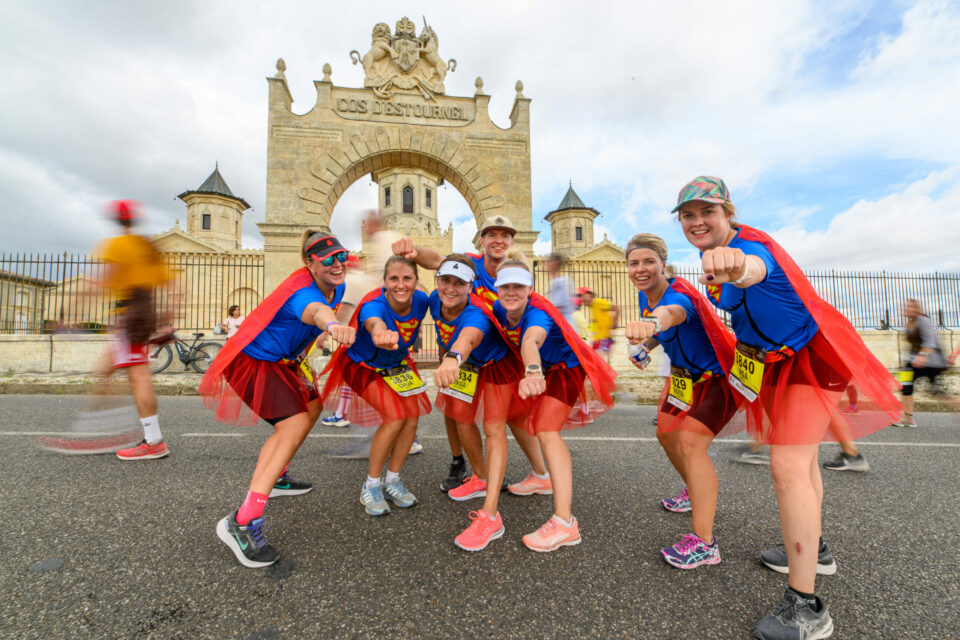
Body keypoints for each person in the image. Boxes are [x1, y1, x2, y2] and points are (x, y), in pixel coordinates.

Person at [674, 176, 900, 639]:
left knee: (788, 466)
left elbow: (752, 269)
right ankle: (815, 550)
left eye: (707, 212)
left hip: (811, 355)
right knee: (803, 460)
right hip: (774, 361)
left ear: (728, 214)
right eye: (688, 215)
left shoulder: (750, 248)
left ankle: (807, 607)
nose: (697, 222)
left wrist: (735, 265)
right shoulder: (711, 253)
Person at [200, 231, 355, 568]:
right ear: (309, 263)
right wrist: (332, 325)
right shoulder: (302, 292)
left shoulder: (338, 285)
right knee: (292, 424)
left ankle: (279, 476)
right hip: (254, 361)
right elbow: (315, 311)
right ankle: (242, 521)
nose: (338, 264)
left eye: (341, 256)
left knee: (313, 406)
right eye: (327, 258)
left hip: (284, 361)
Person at [392, 215, 550, 496]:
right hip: (467, 358)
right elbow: (437, 260)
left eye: (504, 235)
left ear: (512, 241)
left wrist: (534, 362)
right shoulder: (468, 266)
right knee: (456, 410)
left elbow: (478, 330)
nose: (498, 241)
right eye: (492, 235)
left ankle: (540, 474)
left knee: (511, 418)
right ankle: (470, 469)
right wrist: (413, 252)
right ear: (482, 241)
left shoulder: (515, 273)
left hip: (500, 355)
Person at [623, 233, 743, 570]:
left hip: (716, 379)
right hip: (682, 378)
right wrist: (646, 345)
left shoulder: (678, 296)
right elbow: (664, 330)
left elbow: (671, 315)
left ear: (663, 264)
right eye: (634, 263)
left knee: (691, 444)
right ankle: (695, 490)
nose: (641, 269)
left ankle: (705, 544)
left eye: (649, 262)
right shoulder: (646, 294)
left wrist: (649, 324)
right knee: (666, 433)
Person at [492, 250, 617, 552]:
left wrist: (532, 370)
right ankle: (541, 477)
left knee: (547, 430)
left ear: (529, 289)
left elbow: (530, 339)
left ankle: (565, 523)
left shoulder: (539, 312)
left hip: (565, 368)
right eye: (505, 286)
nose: (511, 292)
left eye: (519, 286)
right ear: (497, 288)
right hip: (545, 368)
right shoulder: (498, 307)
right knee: (518, 417)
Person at [427, 254, 548, 551]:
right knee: (468, 416)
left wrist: (451, 358)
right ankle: (501, 476)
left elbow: (467, 337)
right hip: (471, 366)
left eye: (459, 283)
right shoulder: (433, 300)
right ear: (437, 282)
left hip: (496, 365)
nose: (451, 288)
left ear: (471, 287)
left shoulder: (478, 312)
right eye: (445, 281)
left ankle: (491, 515)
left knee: (495, 428)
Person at [319, 256, 432, 517]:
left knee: (411, 417)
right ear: (384, 281)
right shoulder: (373, 305)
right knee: (394, 417)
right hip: (365, 365)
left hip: (398, 364)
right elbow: (373, 320)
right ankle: (371, 485)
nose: (400, 285)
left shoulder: (422, 300)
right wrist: (380, 332)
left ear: (416, 281)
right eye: (394, 279)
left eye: (407, 278)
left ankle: (392, 480)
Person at [92, 200, 177, 461]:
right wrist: (170, 317)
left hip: (130, 315)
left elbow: (107, 279)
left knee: (138, 378)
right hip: (142, 314)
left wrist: (78, 300)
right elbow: (175, 286)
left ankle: (153, 440)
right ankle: (103, 424)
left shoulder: (120, 245)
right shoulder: (148, 247)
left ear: (117, 219)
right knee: (108, 370)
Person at [890, 298, 948, 427]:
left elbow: (930, 342)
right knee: (905, 387)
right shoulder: (909, 322)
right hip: (913, 361)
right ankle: (908, 418)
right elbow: (913, 344)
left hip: (930, 362)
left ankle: (908, 418)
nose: (908, 309)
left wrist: (922, 356)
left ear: (917, 309)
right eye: (906, 306)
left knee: (939, 394)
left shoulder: (923, 321)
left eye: (912, 307)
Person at [577, 287, 620, 364]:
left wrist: (614, 323)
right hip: (597, 340)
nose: (581, 299)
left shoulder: (598, 302)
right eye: (580, 296)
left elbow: (616, 308)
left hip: (604, 339)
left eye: (582, 295)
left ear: (590, 295)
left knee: (598, 363)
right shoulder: (593, 306)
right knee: (596, 363)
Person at [545, 253, 577, 326]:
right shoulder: (558, 281)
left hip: (563, 326)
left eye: (549, 261)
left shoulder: (560, 282)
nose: (547, 264)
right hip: (563, 325)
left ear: (556, 263)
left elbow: (558, 308)